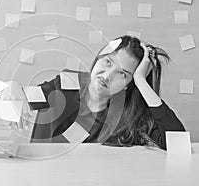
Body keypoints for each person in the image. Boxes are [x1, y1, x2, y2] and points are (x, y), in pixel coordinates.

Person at [22, 35, 185, 150]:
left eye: (122, 74)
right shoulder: (66, 83)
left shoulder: (129, 116)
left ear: (130, 83)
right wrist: (12, 92)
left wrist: (142, 81)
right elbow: (20, 99)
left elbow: (178, 143)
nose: (107, 76)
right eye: (107, 62)